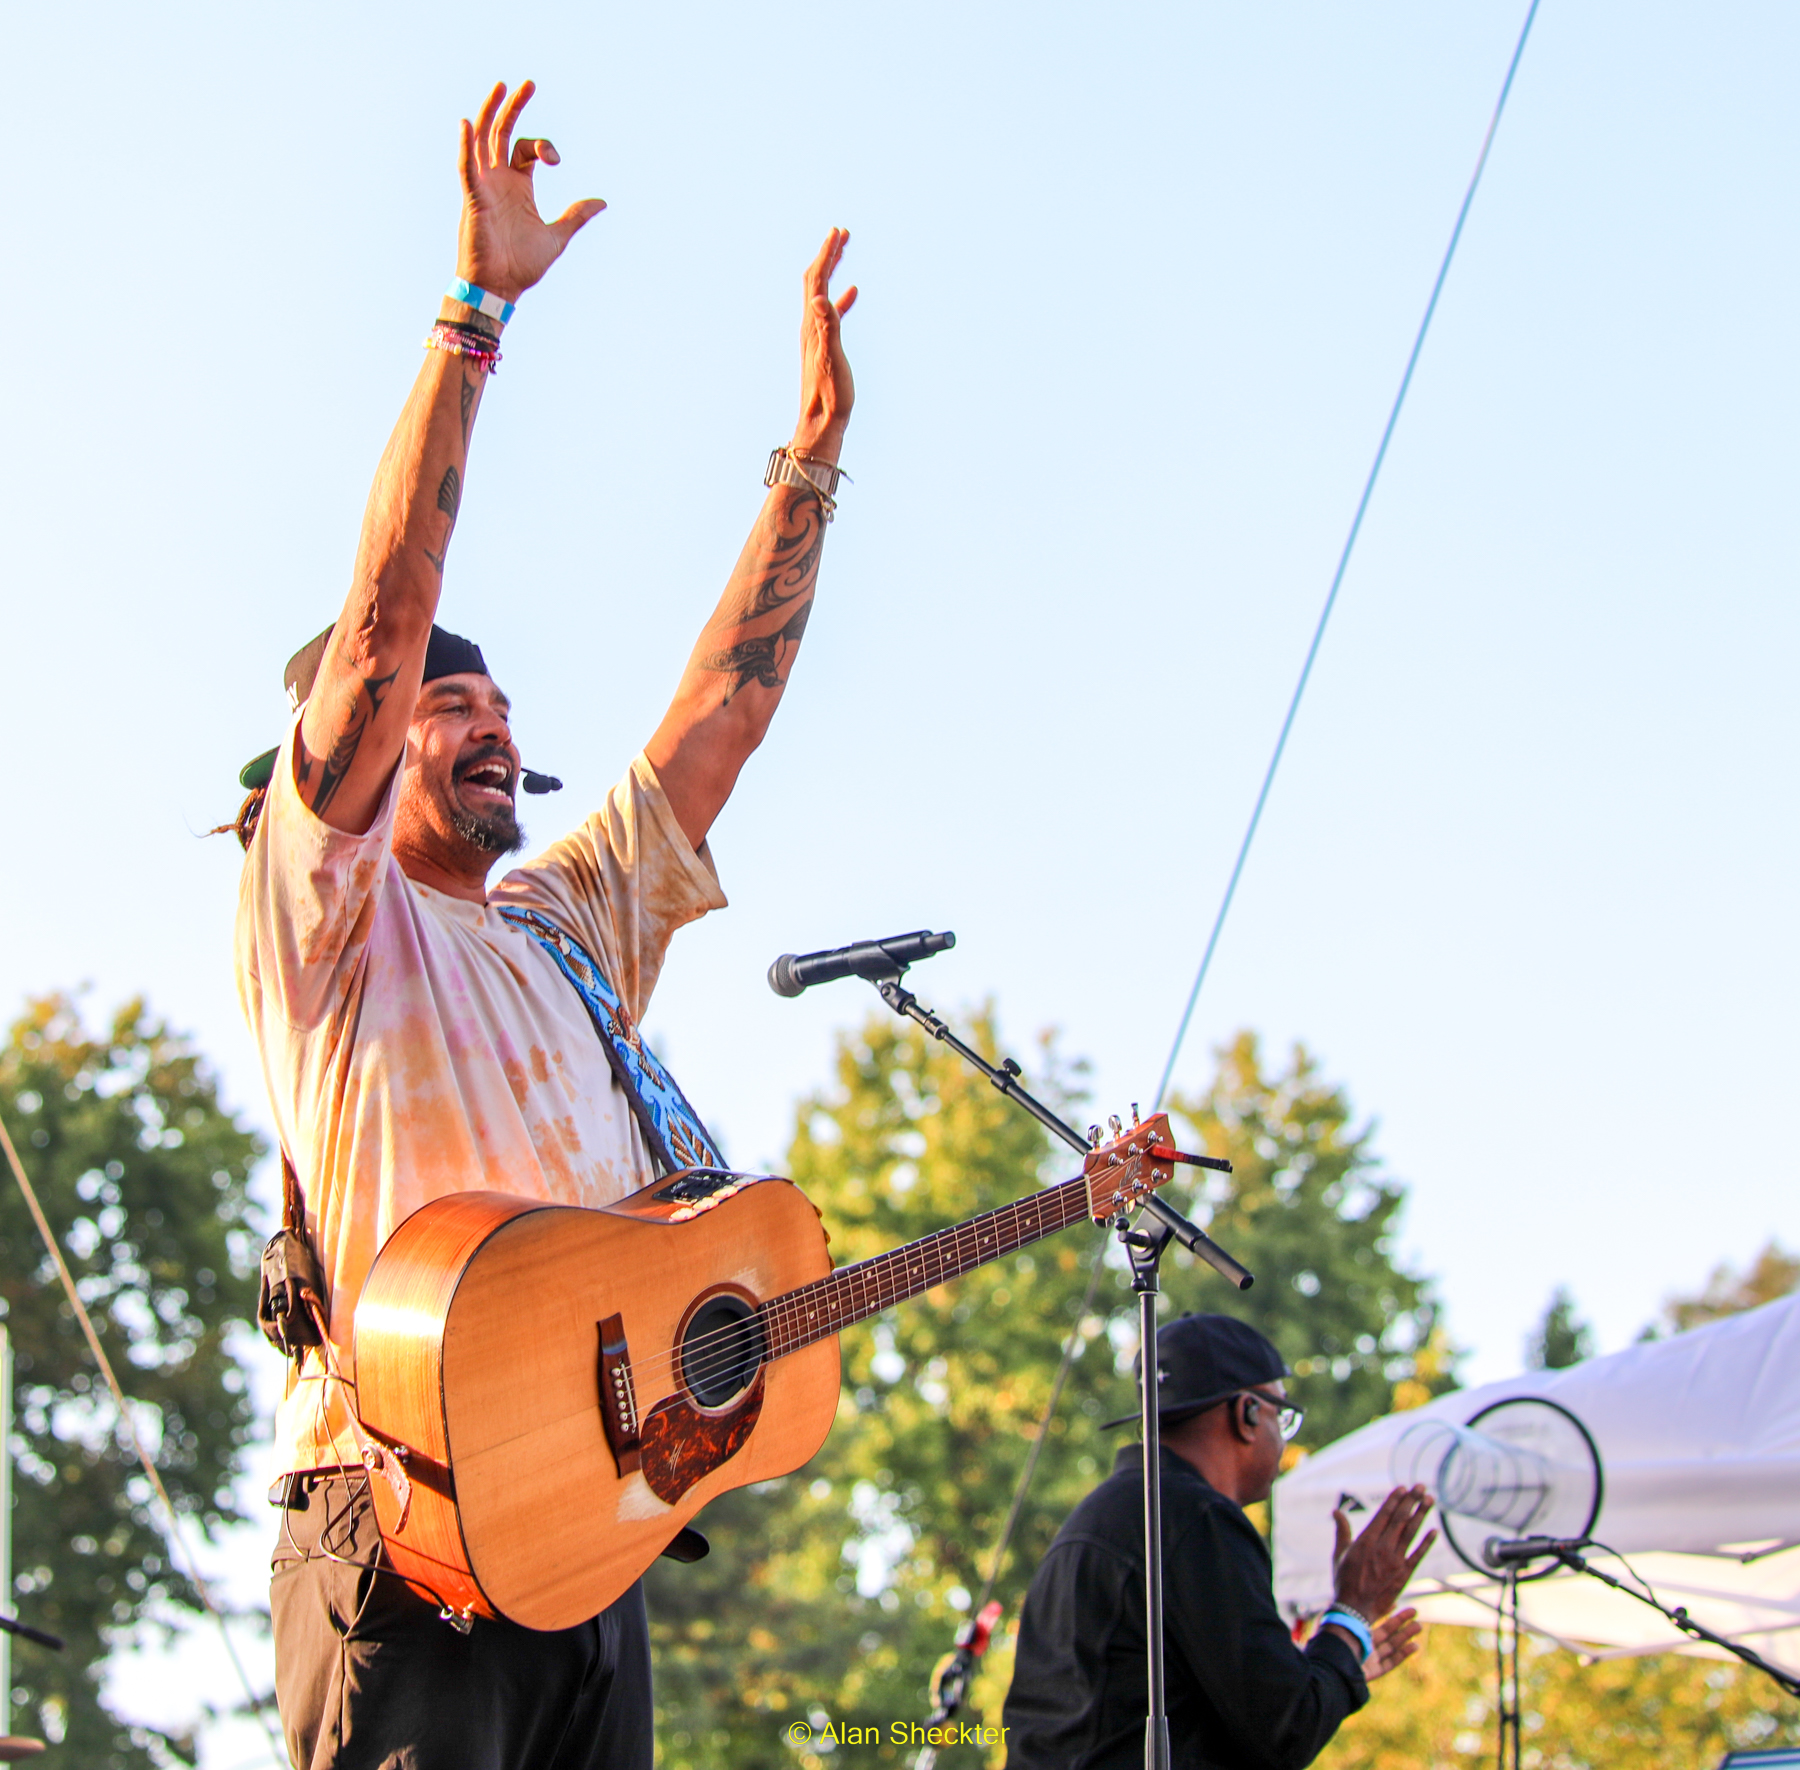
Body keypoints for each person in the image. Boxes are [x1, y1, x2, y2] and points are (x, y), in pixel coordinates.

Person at [228, 79, 856, 1770]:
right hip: (400, 1522)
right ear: (364, 743)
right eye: (456, 706)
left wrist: (807, 474)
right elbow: (379, 624)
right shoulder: (327, 915)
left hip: (584, 1534)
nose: (492, 721)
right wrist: (475, 308)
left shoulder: (558, 921)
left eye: (506, 704)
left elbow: (713, 725)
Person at [1002, 1313, 1435, 1770]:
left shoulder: (1097, 1519)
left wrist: (1327, 1671)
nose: (1283, 1439)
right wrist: (1354, 1609)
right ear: (1246, 1412)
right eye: (1281, 1414)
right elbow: (1287, 1730)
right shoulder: (1195, 1518)